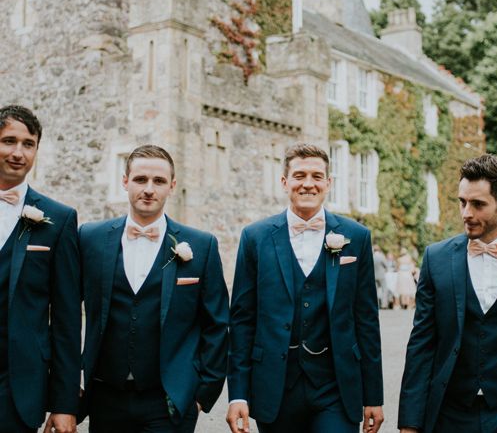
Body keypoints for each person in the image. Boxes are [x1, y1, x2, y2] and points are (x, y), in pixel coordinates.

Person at [398, 153, 497, 433]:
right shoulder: (436, 259)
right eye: (462, 202)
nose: (466, 213)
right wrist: (410, 424)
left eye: (478, 204)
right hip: (450, 414)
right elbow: (422, 345)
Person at [226, 143, 384, 433]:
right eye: (299, 175)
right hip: (275, 384)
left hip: (335, 385)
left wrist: (373, 395)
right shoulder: (255, 237)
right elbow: (242, 320)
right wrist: (237, 393)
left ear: (328, 183)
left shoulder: (356, 237)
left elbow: (366, 320)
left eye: (316, 176)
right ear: (285, 182)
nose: (308, 184)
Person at [79, 144, 229, 432]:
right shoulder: (90, 237)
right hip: (105, 397)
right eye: (140, 180)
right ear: (125, 182)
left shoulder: (201, 245)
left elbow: (217, 324)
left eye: (158, 181)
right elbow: (67, 312)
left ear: (172, 186)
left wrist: (200, 395)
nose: (149, 189)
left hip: (169, 401)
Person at [0, 105, 81, 433]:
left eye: (28, 144)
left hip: (17, 386)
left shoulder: (58, 220)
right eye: (9, 141)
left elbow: (66, 317)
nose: (18, 152)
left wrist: (64, 404)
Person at [372, 245, 389, 309]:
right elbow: (386, 265)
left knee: (375, 291)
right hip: (381, 275)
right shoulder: (381, 256)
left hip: (374, 275)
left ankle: (376, 304)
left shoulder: (372, 256)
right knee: (384, 289)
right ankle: (384, 304)